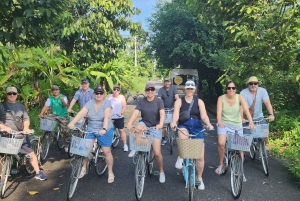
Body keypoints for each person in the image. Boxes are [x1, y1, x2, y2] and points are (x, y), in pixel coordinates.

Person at [170, 80, 214, 190]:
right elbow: (175, 115)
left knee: (200, 157)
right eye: (188, 88)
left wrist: (208, 124)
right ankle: (181, 156)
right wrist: (174, 122)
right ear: (185, 89)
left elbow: (203, 116)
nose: (190, 90)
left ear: (194, 90)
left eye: (192, 88)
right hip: (184, 124)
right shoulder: (179, 101)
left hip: (197, 126)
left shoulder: (199, 102)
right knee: (182, 134)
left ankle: (199, 178)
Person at [68, 86, 115, 183]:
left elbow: (106, 117)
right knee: (84, 148)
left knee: (106, 152)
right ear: (94, 94)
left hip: (104, 129)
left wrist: (104, 128)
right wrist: (72, 123)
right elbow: (81, 113)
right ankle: (84, 167)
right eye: (97, 93)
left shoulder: (107, 103)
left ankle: (110, 172)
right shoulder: (90, 103)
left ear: (103, 94)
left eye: (101, 93)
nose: (98, 95)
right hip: (91, 128)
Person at [0, 86, 47, 180]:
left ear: (17, 95)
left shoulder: (21, 106)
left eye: (14, 93)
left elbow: (26, 119)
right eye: (10, 93)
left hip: (19, 134)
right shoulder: (1, 106)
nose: (12, 95)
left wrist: (26, 128)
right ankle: (1, 175)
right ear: (6, 95)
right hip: (5, 135)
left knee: (30, 152)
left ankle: (38, 172)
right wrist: (4, 127)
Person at [126, 83, 166, 183]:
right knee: (138, 128)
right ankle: (135, 148)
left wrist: (160, 124)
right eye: (148, 90)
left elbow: (162, 113)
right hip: (145, 123)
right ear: (145, 91)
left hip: (155, 126)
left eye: (152, 89)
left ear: (154, 91)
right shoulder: (142, 101)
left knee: (157, 153)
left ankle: (161, 171)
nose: (150, 91)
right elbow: (135, 112)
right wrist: (130, 122)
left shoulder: (159, 101)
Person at [215, 81, 254, 182]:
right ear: (226, 89)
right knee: (221, 143)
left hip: (237, 125)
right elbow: (219, 112)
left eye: (233, 88)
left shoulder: (240, 97)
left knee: (241, 148)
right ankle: (220, 165)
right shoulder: (221, 98)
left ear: (236, 89)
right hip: (224, 124)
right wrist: (219, 121)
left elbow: (246, 110)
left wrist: (250, 122)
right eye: (229, 88)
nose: (231, 90)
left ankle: (241, 170)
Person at [38, 85, 70, 152]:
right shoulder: (50, 98)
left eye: (56, 90)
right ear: (52, 91)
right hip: (54, 115)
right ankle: (49, 137)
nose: (55, 91)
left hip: (63, 115)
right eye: (53, 90)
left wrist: (62, 101)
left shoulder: (63, 97)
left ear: (59, 90)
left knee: (65, 131)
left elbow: (65, 105)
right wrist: (41, 113)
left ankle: (67, 144)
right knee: (47, 122)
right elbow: (46, 105)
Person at [157, 77, 179, 145]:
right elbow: (159, 98)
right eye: (166, 82)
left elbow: (177, 96)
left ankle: (176, 133)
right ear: (164, 83)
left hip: (172, 108)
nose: (167, 83)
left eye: (168, 82)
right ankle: (163, 138)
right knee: (163, 123)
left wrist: (178, 104)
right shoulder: (161, 89)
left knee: (176, 120)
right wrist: (159, 105)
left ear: (170, 82)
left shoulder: (173, 88)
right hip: (164, 109)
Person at [106, 84, 128, 151]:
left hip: (118, 117)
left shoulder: (121, 97)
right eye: (114, 89)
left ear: (119, 91)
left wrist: (121, 113)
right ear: (112, 90)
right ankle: (105, 146)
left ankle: (125, 145)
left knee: (121, 130)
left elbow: (124, 106)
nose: (116, 91)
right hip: (110, 117)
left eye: (117, 89)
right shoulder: (109, 96)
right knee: (106, 130)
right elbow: (103, 102)